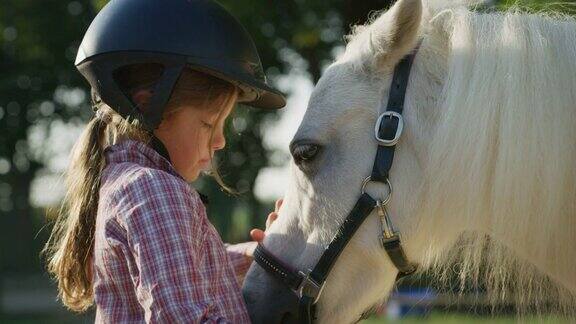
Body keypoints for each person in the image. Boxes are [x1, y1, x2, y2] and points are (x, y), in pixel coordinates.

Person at [43, 0, 286, 322]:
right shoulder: (155, 190)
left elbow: (184, 272)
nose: (220, 141)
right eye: (208, 123)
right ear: (149, 109)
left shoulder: (126, 184)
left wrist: (261, 255)